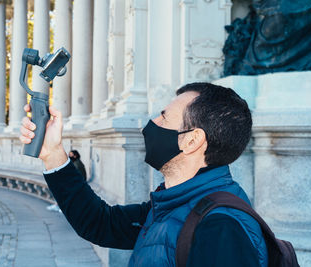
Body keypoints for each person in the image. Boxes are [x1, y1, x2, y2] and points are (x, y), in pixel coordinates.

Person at [20, 82, 268, 266]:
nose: (151, 124)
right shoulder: (171, 203)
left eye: (163, 117)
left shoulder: (221, 228)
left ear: (192, 140)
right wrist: (52, 153)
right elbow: (99, 223)